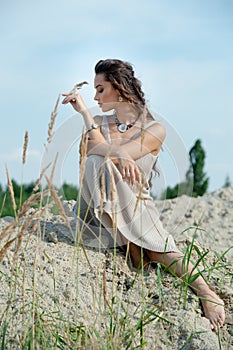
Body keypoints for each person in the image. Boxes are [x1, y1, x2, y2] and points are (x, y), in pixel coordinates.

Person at [62, 58, 225, 332]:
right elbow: (93, 152)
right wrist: (87, 117)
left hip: (135, 203)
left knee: (158, 248)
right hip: (96, 210)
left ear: (120, 88)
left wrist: (116, 152)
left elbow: (125, 153)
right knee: (95, 162)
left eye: (101, 89)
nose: (95, 96)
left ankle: (206, 292)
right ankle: (133, 246)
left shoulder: (155, 129)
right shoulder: (96, 123)